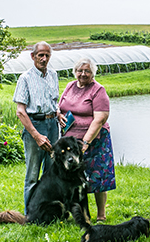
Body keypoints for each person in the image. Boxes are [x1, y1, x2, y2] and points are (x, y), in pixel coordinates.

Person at [58, 58, 116, 222]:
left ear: (93, 73)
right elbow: (60, 106)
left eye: (87, 71)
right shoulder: (70, 86)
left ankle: (101, 215)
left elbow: (100, 119)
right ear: (75, 72)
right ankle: (76, 212)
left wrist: (85, 143)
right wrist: (58, 114)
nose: (83, 74)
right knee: (73, 177)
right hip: (70, 141)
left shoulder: (98, 90)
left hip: (94, 140)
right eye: (80, 70)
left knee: (97, 178)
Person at [13, 41, 60, 214]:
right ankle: (30, 214)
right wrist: (36, 135)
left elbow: (54, 102)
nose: (44, 58)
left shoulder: (53, 75)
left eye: (47, 55)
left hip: (52, 125)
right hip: (35, 125)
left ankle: (48, 212)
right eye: (40, 55)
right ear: (33, 56)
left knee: (51, 172)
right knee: (33, 174)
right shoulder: (25, 78)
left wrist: (59, 113)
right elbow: (20, 111)